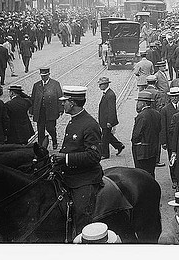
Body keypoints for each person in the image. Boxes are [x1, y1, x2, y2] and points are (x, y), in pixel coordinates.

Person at [52, 86, 103, 235]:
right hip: (70, 174)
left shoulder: (90, 124)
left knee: (81, 214)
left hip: (85, 178)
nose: (63, 104)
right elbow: (71, 147)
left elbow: (94, 156)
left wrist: (65, 158)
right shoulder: (73, 121)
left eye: (65, 102)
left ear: (72, 103)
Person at [131, 90, 162, 178]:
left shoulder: (141, 116)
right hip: (153, 149)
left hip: (142, 152)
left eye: (138, 102)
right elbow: (159, 129)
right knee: (151, 173)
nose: (137, 104)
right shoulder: (157, 114)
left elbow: (136, 135)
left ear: (143, 103)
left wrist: (136, 143)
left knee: (141, 175)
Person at [31, 67, 64, 149]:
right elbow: (33, 98)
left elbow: (60, 97)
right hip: (40, 111)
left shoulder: (55, 84)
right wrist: (31, 110)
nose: (43, 77)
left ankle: (54, 140)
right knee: (40, 130)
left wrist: (60, 109)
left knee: (50, 128)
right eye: (42, 76)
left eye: (45, 76)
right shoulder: (36, 85)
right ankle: (40, 146)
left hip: (51, 111)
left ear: (49, 74)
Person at [160, 87, 179, 188]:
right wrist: (163, 141)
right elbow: (163, 126)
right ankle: (174, 179)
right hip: (171, 140)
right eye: (172, 97)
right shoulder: (165, 110)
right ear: (170, 97)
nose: (174, 98)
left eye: (176, 96)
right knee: (172, 159)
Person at [97, 77, 125, 159]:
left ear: (105, 85)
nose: (99, 86)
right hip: (104, 120)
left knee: (104, 138)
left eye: (101, 85)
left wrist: (109, 121)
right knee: (107, 135)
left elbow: (111, 109)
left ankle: (105, 154)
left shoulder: (110, 94)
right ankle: (119, 145)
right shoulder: (106, 93)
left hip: (107, 120)